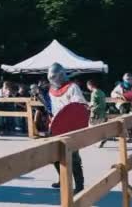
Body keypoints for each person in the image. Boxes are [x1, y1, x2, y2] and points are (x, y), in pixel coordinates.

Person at [48, 63, 86, 193]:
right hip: (57, 126)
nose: (54, 80)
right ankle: (63, 179)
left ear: (61, 75)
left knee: (74, 157)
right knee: (54, 155)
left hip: (71, 127)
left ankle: (80, 185)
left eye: (55, 77)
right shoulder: (51, 90)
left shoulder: (72, 87)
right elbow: (52, 109)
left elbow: (78, 106)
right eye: (51, 77)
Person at [111, 73, 132, 142]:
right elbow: (113, 93)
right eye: (127, 79)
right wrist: (118, 96)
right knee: (125, 121)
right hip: (123, 106)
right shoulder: (120, 86)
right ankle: (128, 137)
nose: (129, 80)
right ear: (124, 79)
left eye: (130, 79)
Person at [87, 79, 108, 148]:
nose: (88, 87)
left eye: (88, 86)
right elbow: (103, 103)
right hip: (102, 113)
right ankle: (101, 140)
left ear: (90, 85)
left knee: (91, 127)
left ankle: (98, 141)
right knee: (99, 127)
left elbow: (93, 104)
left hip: (95, 113)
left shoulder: (94, 93)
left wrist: (89, 108)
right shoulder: (101, 92)